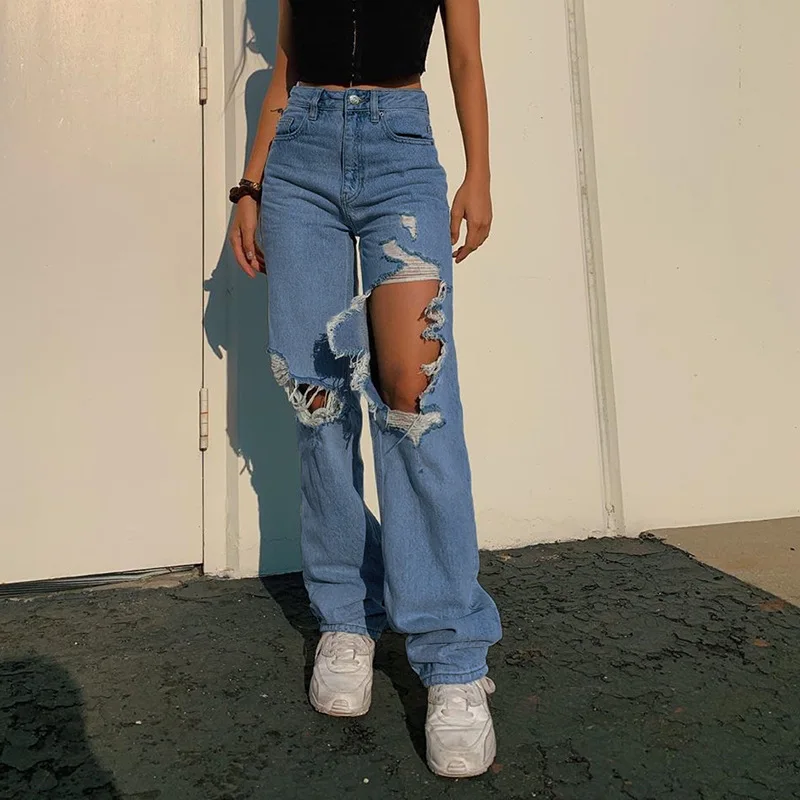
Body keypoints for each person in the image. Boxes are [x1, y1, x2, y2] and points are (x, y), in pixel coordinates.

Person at [229, 0, 502, 778]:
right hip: (299, 165)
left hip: (399, 153)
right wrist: (250, 187)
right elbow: (286, 67)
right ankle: (347, 616)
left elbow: (465, 59)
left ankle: (452, 656)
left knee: (415, 400)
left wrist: (480, 173)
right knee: (316, 400)